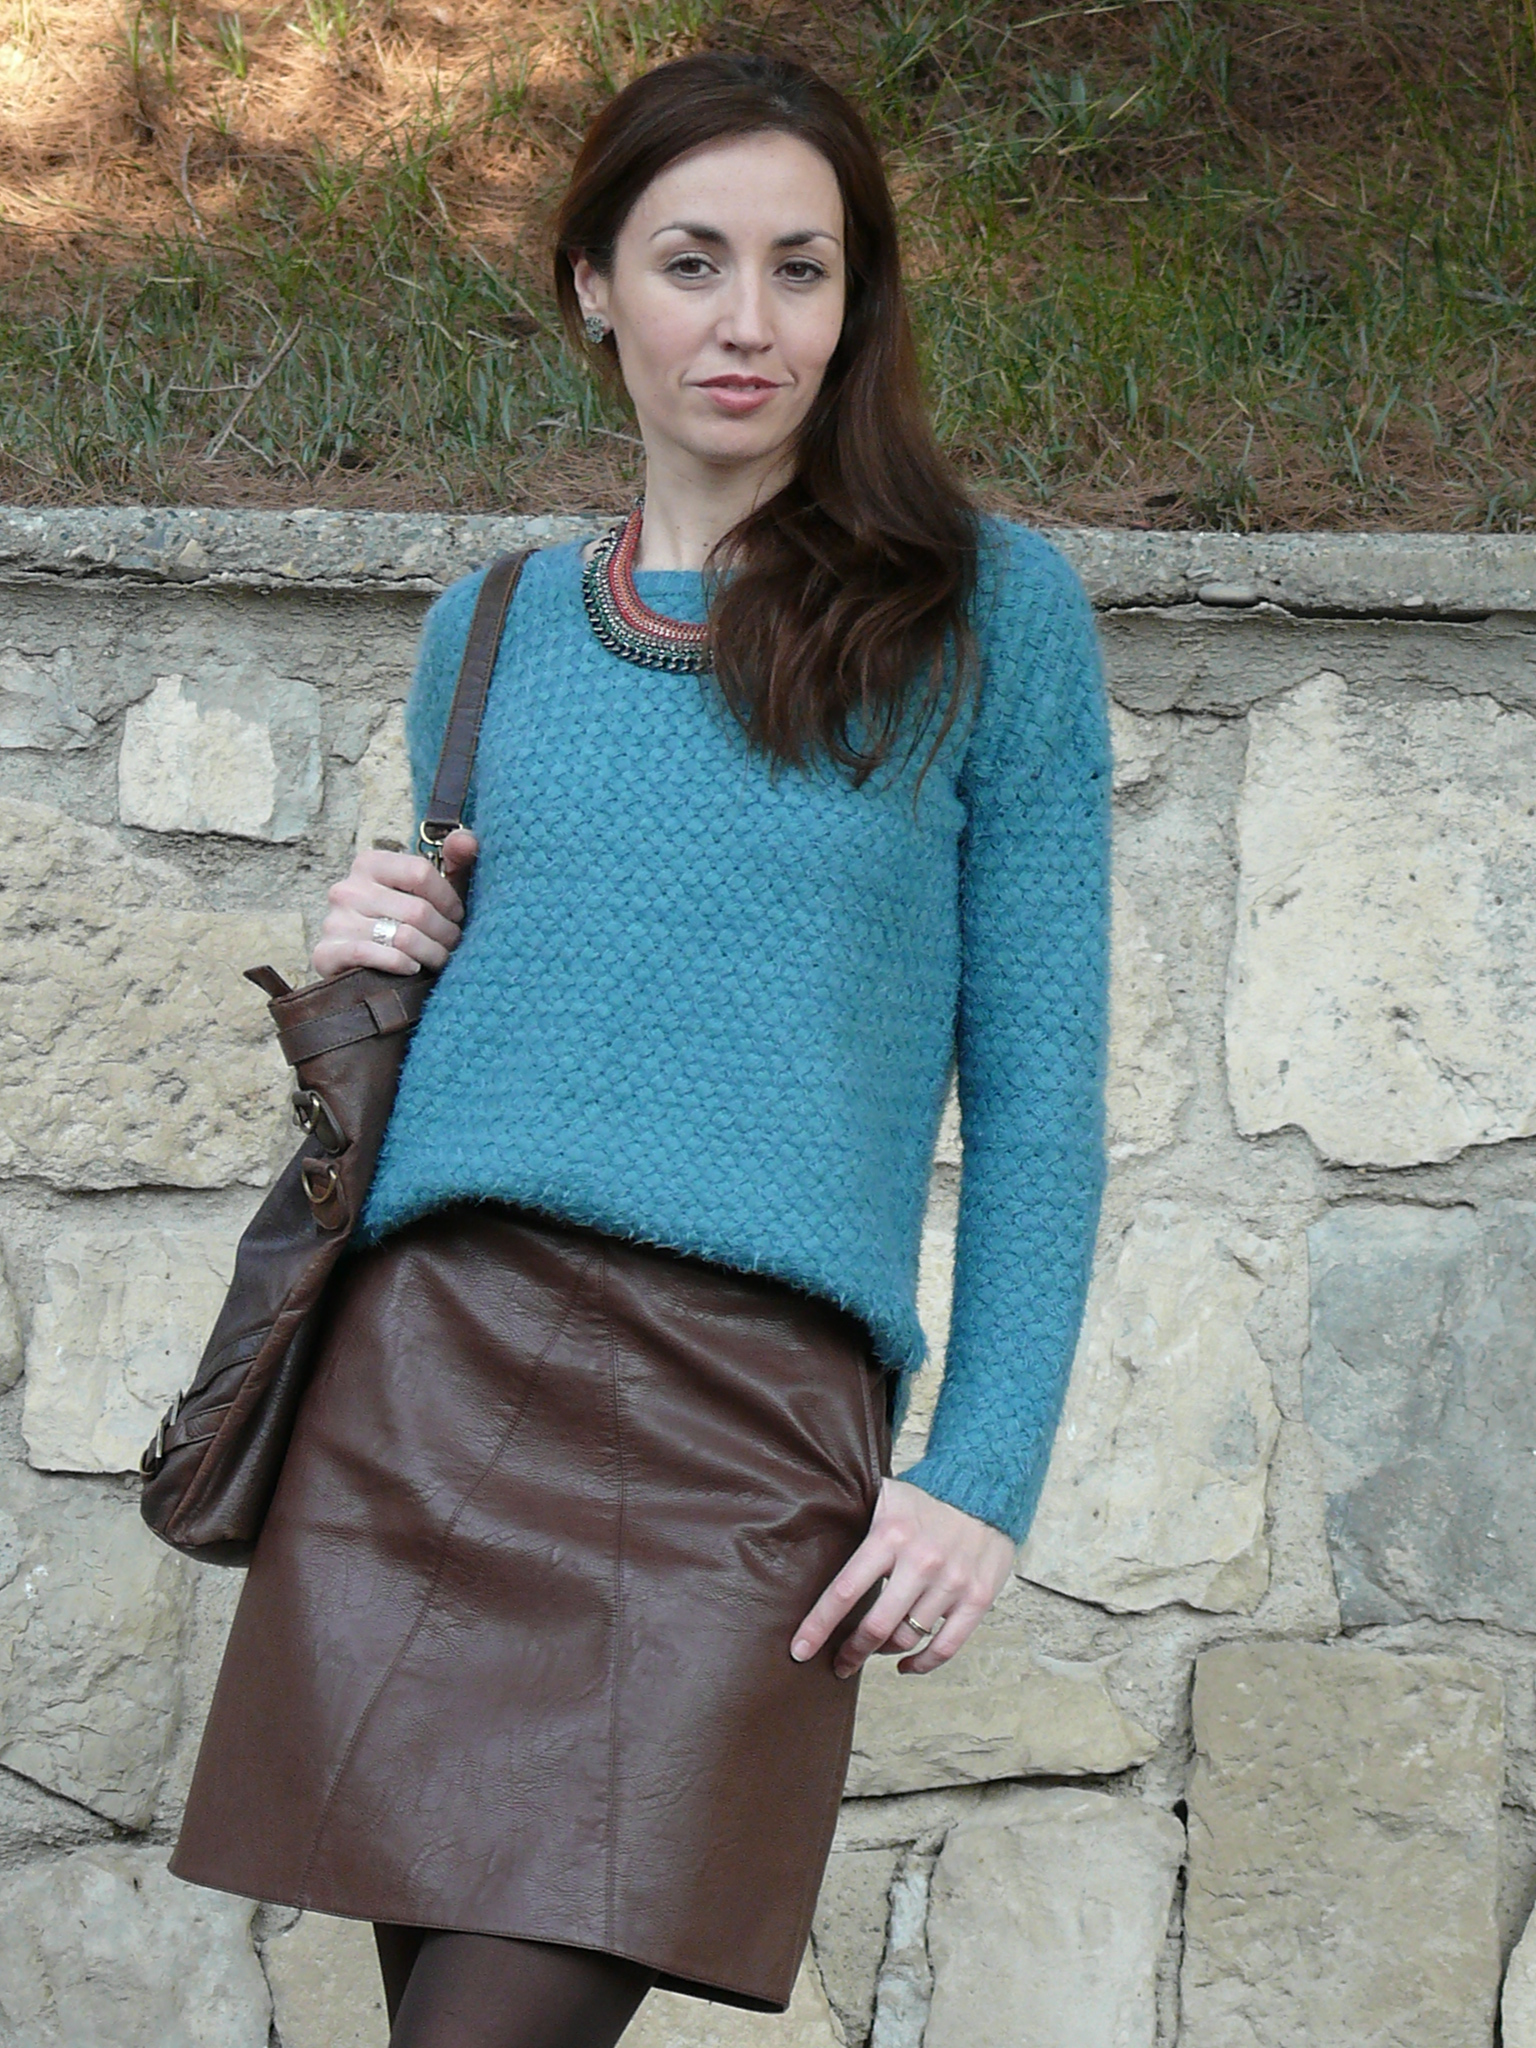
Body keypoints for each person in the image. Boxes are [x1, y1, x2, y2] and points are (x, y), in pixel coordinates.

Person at [168, 46, 1111, 2048]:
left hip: (744, 1433)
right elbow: (536, 998)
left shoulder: (988, 614)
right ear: (594, 283)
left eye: (802, 267)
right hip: (429, 1382)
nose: (748, 321)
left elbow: (1043, 1093)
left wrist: (983, 1469)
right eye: (693, 262)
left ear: (856, 300)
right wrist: (383, 948)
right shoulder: (490, 626)